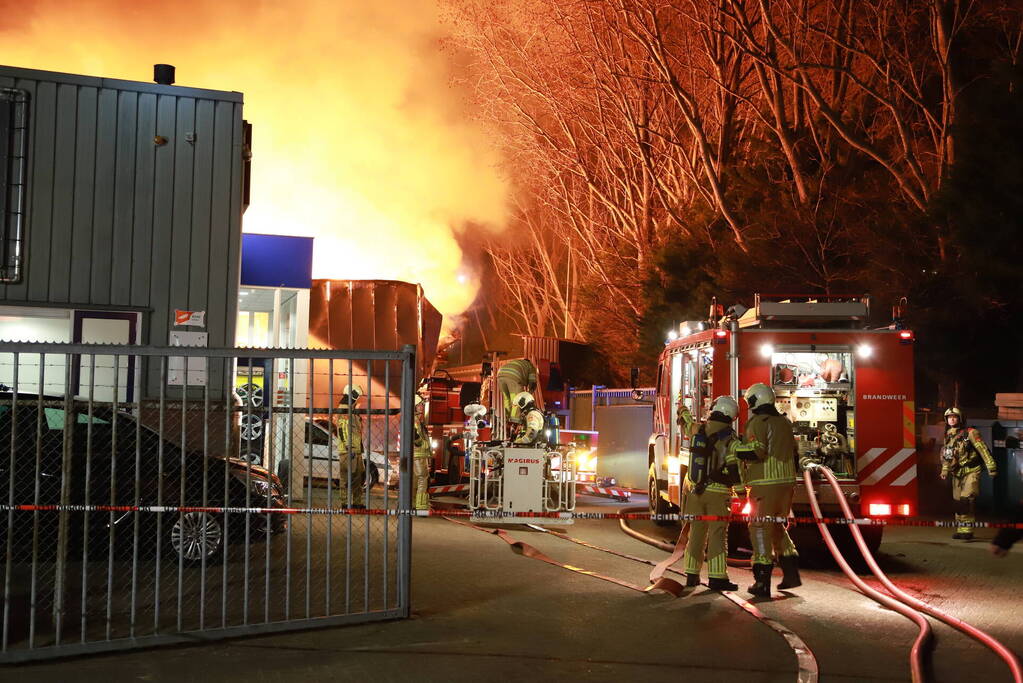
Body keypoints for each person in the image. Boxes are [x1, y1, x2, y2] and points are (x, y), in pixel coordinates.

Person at [681, 396, 754, 592]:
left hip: (695, 491)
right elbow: (736, 469)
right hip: (718, 493)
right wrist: (742, 495)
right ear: (732, 416)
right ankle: (717, 577)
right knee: (717, 534)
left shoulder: (698, 429)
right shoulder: (730, 439)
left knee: (696, 533)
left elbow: (686, 424)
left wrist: (683, 410)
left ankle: (691, 575)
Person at [740, 382, 800, 597]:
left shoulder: (757, 422)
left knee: (759, 528)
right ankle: (791, 573)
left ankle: (762, 581)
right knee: (775, 526)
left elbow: (757, 451)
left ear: (755, 400)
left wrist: (735, 449)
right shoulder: (784, 421)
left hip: (765, 482)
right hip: (787, 482)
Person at [941, 407, 997, 540]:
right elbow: (947, 455)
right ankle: (961, 529)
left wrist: (991, 467)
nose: (952, 419)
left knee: (966, 500)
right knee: (958, 502)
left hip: (972, 471)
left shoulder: (971, 433)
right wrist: (945, 470)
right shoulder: (948, 435)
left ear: (960, 419)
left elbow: (983, 450)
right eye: (949, 417)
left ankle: (967, 531)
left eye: (954, 417)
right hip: (957, 473)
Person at [334, 383, 366, 509]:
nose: (357, 399)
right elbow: (343, 429)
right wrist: (349, 446)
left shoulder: (350, 409)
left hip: (355, 449)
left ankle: (356, 502)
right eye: (357, 397)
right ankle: (345, 503)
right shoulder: (344, 409)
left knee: (357, 477)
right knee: (347, 477)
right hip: (349, 450)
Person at [497, 358, 539, 425]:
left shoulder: (517, 362)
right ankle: (515, 421)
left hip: (500, 376)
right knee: (516, 399)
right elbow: (532, 382)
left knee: (506, 398)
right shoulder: (530, 366)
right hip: (513, 377)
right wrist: (529, 392)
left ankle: (506, 418)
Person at [412, 394, 432, 511]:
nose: (422, 407)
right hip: (418, 454)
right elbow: (415, 436)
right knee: (422, 479)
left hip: (414, 454)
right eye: (420, 404)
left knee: (414, 480)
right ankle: (421, 506)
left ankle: (413, 504)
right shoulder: (415, 420)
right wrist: (422, 443)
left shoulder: (414, 419)